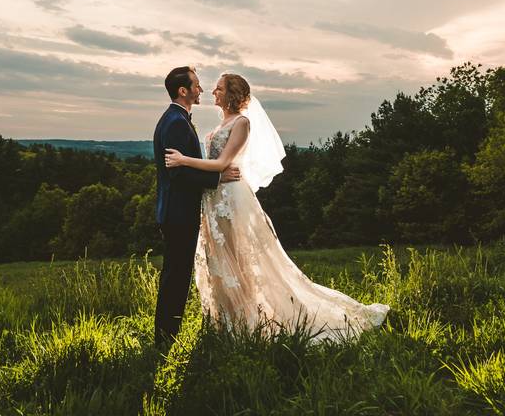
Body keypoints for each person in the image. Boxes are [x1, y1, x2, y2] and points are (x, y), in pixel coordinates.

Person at [165, 73, 389, 343]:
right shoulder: (222, 123)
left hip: (232, 199)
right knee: (221, 259)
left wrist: (183, 160)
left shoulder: (242, 123)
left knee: (240, 258)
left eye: (220, 88)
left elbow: (222, 163)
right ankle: (225, 323)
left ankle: (247, 322)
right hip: (214, 198)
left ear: (233, 93)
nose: (213, 91)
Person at [153, 66, 241, 348]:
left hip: (176, 211)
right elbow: (177, 172)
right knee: (176, 278)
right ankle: (165, 340)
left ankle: (165, 337)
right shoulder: (176, 122)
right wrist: (217, 176)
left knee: (176, 275)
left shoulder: (177, 118)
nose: (201, 90)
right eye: (197, 85)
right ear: (183, 90)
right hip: (178, 213)